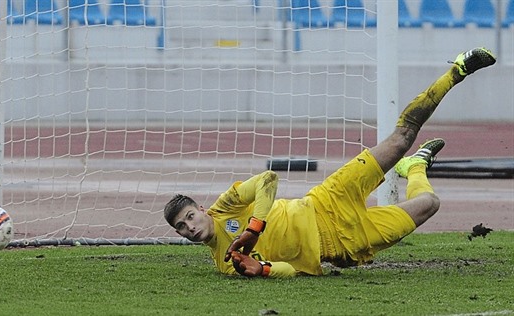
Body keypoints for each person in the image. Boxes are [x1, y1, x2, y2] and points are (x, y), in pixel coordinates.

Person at [163, 47, 496, 278]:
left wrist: (253, 229)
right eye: (182, 227)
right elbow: (290, 270)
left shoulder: (225, 208)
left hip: (324, 201)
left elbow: (267, 180)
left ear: (202, 209)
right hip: (339, 244)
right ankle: (417, 167)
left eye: (189, 216)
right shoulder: (225, 263)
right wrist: (262, 269)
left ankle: (456, 71)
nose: (190, 227)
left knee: (398, 141)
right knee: (429, 203)